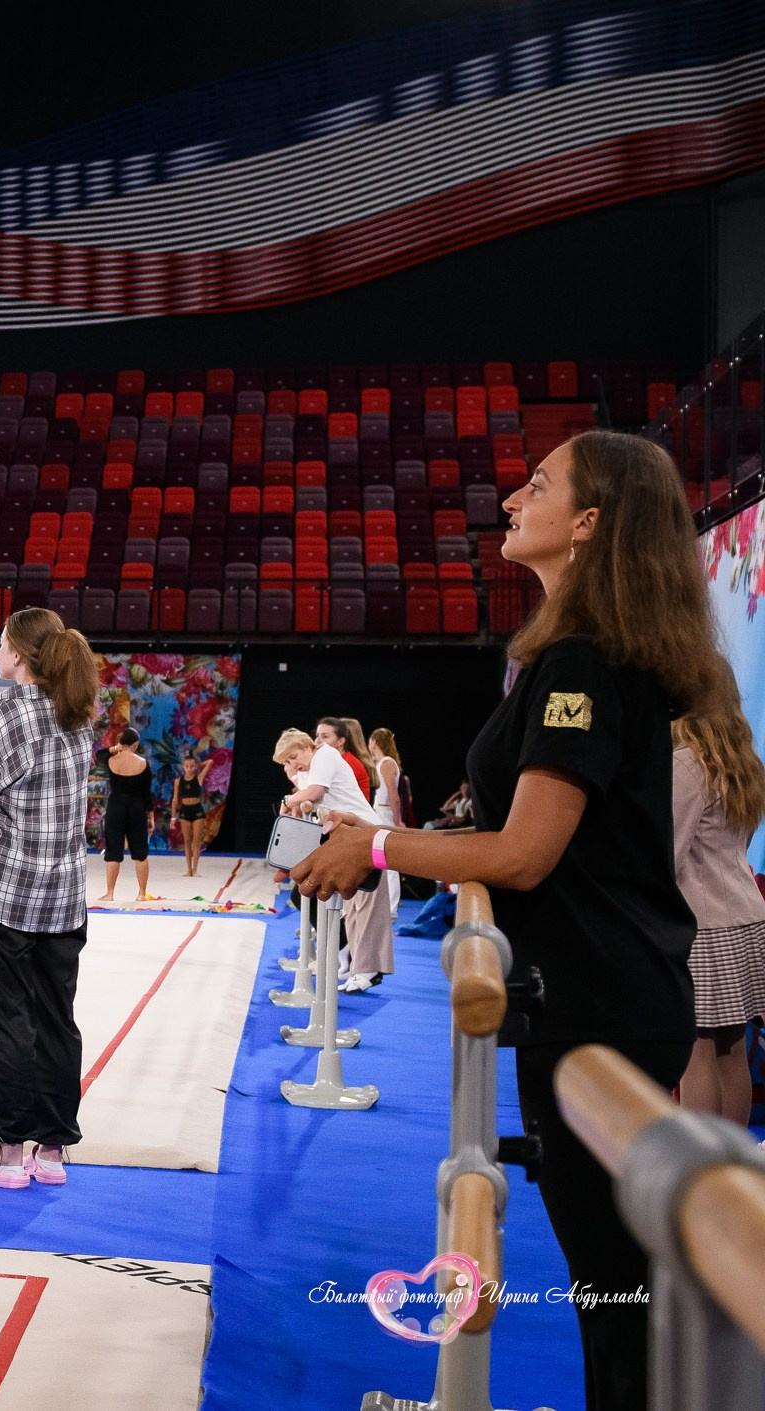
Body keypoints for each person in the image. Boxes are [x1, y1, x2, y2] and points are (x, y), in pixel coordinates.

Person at [291, 431, 718, 1411]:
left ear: (587, 523)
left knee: (617, 1291)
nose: (510, 497)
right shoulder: (564, 657)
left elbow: (523, 850)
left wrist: (376, 846)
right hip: (585, 994)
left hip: (599, 1004)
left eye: (537, 484)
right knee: (604, 1285)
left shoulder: (579, 663)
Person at [0, 607, 99, 1190]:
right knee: (57, 1021)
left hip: (7, 891)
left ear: (18, 653)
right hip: (64, 894)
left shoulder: (6, 713)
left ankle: (9, 1152)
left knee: (5, 1019)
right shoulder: (78, 713)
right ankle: (54, 1149)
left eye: (2, 642)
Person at [670, 684, 765, 1125]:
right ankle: (731, 1170)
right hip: (746, 918)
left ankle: (702, 1175)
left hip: (703, 927)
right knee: (730, 1050)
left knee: (696, 1051)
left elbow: (665, 853)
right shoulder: (744, 764)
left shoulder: (688, 765)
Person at [273, 728, 391, 991]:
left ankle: (369, 970)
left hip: (364, 831)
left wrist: (288, 797)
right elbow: (307, 792)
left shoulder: (324, 755)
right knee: (352, 909)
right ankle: (355, 966)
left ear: (307, 746)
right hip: (348, 836)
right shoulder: (314, 764)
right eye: (287, 761)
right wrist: (293, 776)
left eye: (293, 756)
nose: (293, 764)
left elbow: (313, 794)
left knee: (368, 907)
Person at [96, 728, 153, 903]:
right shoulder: (143, 763)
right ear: (135, 744)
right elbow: (147, 793)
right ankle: (142, 893)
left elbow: (99, 755)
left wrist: (116, 748)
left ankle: (110, 893)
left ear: (122, 743)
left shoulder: (112, 759)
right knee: (141, 853)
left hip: (116, 807)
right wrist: (150, 817)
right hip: (136, 807)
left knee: (113, 852)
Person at [366, 728, 410, 912]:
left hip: (385, 814)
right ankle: (386, 904)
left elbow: (394, 795)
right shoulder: (383, 763)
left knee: (389, 861)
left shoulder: (386, 763)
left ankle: (391, 907)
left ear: (374, 742)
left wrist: (398, 821)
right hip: (380, 812)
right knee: (380, 859)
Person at [316, 717, 372, 801]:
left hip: (354, 812)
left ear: (341, 741)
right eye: (317, 736)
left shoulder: (348, 762)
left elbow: (314, 793)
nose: (317, 741)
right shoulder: (334, 760)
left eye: (325, 736)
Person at [172, 754, 208, 877]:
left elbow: (210, 762)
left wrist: (198, 765)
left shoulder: (199, 778)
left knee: (196, 841)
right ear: (183, 767)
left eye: (192, 766)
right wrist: (173, 817)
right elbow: (175, 800)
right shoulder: (178, 781)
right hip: (185, 810)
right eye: (186, 766)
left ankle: (195, 869)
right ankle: (188, 869)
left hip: (197, 810)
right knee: (187, 841)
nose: (189, 768)